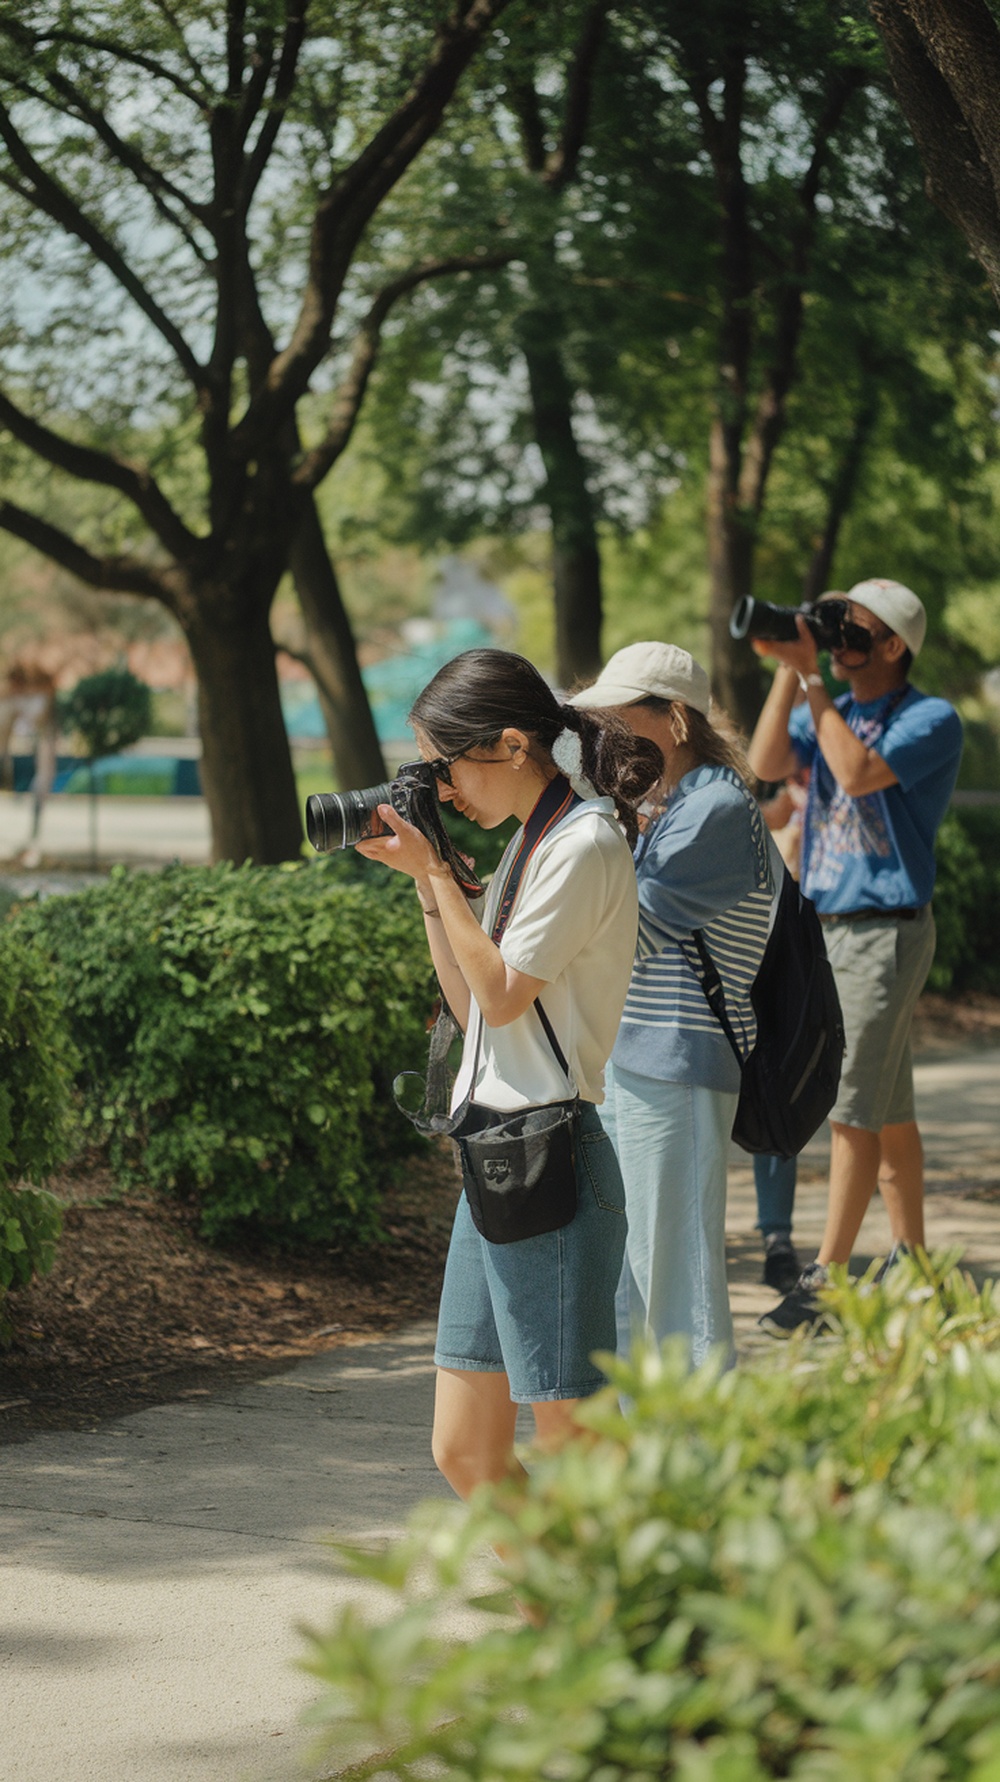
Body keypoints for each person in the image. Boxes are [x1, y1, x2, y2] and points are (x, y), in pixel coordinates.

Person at [355, 648, 662, 1497]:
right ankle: (561, 1620)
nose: (444, 790)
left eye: (447, 765)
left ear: (512, 745)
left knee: (572, 1441)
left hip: (552, 1162)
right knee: (465, 1450)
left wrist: (434, 876)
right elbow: (466, 1001)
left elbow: (501, 994)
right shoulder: (531, 842)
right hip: (493, 1159)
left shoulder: (584, 843)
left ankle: (643, 1612)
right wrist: (434, 888)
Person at [747, 578, 963, 1334]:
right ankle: (914, 1261)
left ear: (894, 646)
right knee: (887, 1105)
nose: (838, 640)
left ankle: (828, 1280)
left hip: (884, 928)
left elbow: (859, 773)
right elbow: (766, 762)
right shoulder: (822, 701)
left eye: (853, 630)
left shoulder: (930, 718)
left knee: (850, 1108)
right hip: (830, 925)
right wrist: (787, 667)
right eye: (832, 626)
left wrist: (813, 679)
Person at [570, 642, 776, 1369]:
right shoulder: (667, 804)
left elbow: (628, 931)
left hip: (681, 1063)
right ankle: (645, 1457)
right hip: (638, 1056)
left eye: (616, 716)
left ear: (677, 719)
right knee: (633, 1276)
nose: (602, 732)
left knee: (677, 1279)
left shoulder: (716, 805)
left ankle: (701, 1466)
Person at [753, 767, 810, 1296]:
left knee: (775, 1103)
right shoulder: (737, 820)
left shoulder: (804, 830)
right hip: (725, 984)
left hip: (776, 975)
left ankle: (777, 1238)